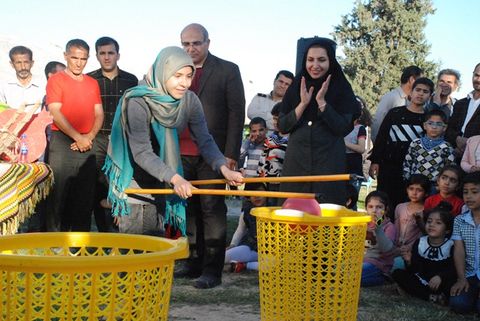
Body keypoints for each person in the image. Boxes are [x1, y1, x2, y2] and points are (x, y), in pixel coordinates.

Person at [103, 46, 243, 289]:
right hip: (135, 185)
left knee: (155, 259)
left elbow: (206, 140)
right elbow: (141, 152)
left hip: (162, 182)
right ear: (163, 71)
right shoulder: (138, 100)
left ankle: (145, 309)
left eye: (189, 76)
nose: (185, 83)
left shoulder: (189, 101)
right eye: (177, 76)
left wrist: (224, 169)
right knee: (133, 258)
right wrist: (176, 178)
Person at [178, 23, 246, 288]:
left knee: (211, 209)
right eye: (186, 43)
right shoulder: (175, 71)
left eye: (196, 43)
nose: (191, 48)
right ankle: (193, 262)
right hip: (181, 151)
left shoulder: (227, 70)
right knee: (189, 209)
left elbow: (236, 113)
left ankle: (212, 269)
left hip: (214, 153)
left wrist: (230, 154)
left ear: (208, 42)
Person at [278, 37, 359, 205]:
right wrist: (303, 104)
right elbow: (283, 126)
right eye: (310, 60)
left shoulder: (341, 87)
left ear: (330, 61)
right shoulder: (296, 86)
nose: (315, 65)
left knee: (325, 214)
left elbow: (342, 127)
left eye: (321, 60)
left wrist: (322, 103)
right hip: (296, 164)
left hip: (328, 163)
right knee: (292, 213)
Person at [45, 39, 104, 232]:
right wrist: (77, 137)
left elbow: (99, 113)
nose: (79, 63)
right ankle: (51, 244)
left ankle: (79, 247)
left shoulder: (92, 83)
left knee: (84, 197)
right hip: (62, 141)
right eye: (74, 58)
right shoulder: (56, 80)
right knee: (58, 195)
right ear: (66, 57)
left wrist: (88, 137)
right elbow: (55, 111)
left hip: (88, 142)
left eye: (83, 59)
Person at [88, 36, 138, 232]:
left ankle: (121, 233)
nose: (107, 57)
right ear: (97, 55)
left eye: (110, 53)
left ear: (118, 55)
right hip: (97, 139)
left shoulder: (130, 80)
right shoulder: (89, 79)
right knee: (99, 189)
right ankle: (104, 234)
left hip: (122, 142)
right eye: (102, 53)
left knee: (120, 186)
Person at [369, 77, 434, 212]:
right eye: (418, 90)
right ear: (411, 92)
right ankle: (381, 228)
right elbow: (382, 137)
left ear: (430, 95)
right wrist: (375, 161)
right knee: (384, 203)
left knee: (405, 206)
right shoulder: (395, 113)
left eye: (425, 91)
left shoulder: (428, 120)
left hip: (412, 171)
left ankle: (401, 231)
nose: (420, 94)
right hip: (388, 167)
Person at [392, 203, 455, 305]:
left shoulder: (450, 245)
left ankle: (435, 295)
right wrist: (409, 261)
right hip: (423, 280)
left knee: (452, 282)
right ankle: (430, 297)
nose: (432, 225)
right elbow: (416, 269)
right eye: (429, 221)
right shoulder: (420, 242)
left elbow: (453, 268)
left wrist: (440, 277)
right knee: (398, 274)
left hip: (441, 282)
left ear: (447, 230)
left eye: (438, 223)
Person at [449, 172, 480, 314]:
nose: (469, 196)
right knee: (458, 304)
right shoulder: (460, 220)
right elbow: (459, 251)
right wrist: (462, 278)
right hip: (470, 274)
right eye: (465, 192)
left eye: (474, 192)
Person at [402, 109, 455, 188]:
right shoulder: (415, 143)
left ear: (444, 127)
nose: (434, 127)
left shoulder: (446, 147)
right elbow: (407, 164)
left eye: (439, 124)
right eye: (430, 123)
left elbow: (450, 168)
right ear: (424, 126)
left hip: (434, 187)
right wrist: (407, 180)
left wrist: (440, 186)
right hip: (415, 185)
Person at [371, 65, 423, 141]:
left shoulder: (414, 100)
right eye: (420, 81)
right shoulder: (391, 97)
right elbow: (378, 122)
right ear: (412, 80)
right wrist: (378, 145)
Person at [225, 183, 266, 273]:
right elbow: (240, 230)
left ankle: (244, 265)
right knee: (224, 256)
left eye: (260, 192)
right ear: (249, 196)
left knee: (276, 265)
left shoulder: (274, 211)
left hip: (269, 251)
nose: (257, 196)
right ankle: (248, 263)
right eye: (253, 193)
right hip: (251, 247)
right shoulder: (247, 212)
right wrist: (233, 244)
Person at [392, 174, 430, 270]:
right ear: (407, 190)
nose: (414, 193)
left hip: (412, 250)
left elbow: (425, 233)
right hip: (395, 247)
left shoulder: (425, 211)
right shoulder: (400, 207)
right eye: (411, 188)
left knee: (397, 265)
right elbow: (393, 226)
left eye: (419, 190)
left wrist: (410, 248)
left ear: (426, 193)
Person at [445, 63, 480, 160]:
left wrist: (469, 144)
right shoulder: (460, 103)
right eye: (476, 75)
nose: (478, 80)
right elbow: (449, 129)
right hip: (454, 156)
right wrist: (457, 139)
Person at [362, 191, 396, 287]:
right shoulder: (363, 223)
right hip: (361, 260)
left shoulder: (389, 226)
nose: (374, 210)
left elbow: (387, 249)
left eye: (379, 207)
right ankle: (381, 279)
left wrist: (378, 229)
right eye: (370, 206)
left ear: (386, 210)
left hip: (378, 264)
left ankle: (383, 277)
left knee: (354, 276)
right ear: (366, 208)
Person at [257, 102, 288, 199]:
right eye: (274, 118)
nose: (275, 122)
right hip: (269, 184)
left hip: (286, 184)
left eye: (278, 119)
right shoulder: (269, 139)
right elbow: (262, 161)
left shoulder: (293, 139)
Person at [0, 46, 44, 111]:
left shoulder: (44, 83)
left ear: (32, 63)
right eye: (18, 63)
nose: (23, 67)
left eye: (26, 62)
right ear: (12, 64)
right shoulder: (4, 85)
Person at [345, 96, 372, 194]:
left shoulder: (360, 129)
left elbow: (361, 148)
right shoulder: (342, 126)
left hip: (353, 168)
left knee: (352, 197)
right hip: (340, 166)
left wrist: (344, 143)